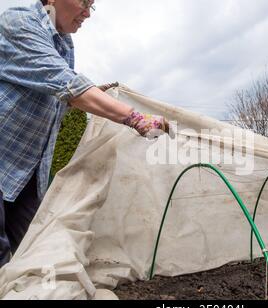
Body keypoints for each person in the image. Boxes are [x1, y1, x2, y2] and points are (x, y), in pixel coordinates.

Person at [0, 0, 170, 267]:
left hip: (26, 174)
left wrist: (89, 98)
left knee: (32, 258)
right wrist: (134, 117)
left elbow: (58, 95)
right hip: (3, 160)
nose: (87, 13)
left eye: (92, 5)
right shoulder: (19, 23)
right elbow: (66, 83)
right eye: (83, 2)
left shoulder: (64, 44)